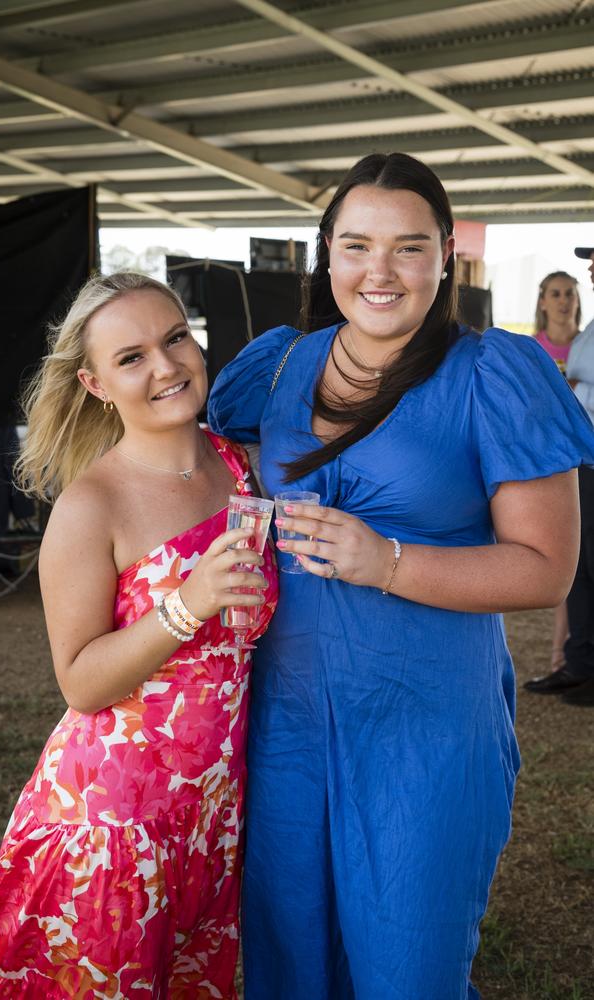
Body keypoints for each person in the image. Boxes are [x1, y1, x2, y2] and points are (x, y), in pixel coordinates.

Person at [208, 152, 594, 1000]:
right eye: (356, 246)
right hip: (286, 721)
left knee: (407, 971)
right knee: (289, 963)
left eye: (408, 247)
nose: (379, 271)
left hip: (425, 725)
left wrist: (384, 560)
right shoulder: (276, 367)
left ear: (446, 254)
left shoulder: (495, 373)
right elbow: (192, 469)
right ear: (327, 255)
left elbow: (546, 570)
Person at [0, 272, 277, 999]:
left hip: (211, 810)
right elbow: (80, 681)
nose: (166, 366)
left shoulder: (239, 466)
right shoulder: (91, 506)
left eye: (176, 338)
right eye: (132, 358)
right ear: (96, 384)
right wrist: (186, 604)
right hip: (118, 820)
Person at [526, 244, 594, 706]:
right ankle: (578, 664)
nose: (591, 268)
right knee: (581, 569)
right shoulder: (587, 333)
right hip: (579, 459)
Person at [532, 271, 582, 670]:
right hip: (549, 459)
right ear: (543, 301)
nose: (564, 300)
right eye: (556, 293)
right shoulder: (533, 349)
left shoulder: (586, 344)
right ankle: (558, 651)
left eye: (570, 293)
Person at [533, 270, 581, 374]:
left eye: (569, 294)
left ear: (577, 300)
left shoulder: (590, 344)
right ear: (542, 303)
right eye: (555, 295)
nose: (564, 300)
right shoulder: (530, 348)